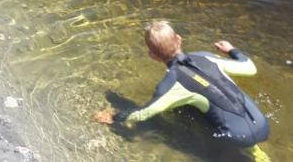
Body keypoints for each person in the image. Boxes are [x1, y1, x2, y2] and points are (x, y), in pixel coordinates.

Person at [94, 20, 269, 150]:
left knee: (179, 111)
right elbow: (250, 68)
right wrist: (231, 50)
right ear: (179, 39)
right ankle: (258, 152)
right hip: (261, 122)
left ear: (152, 56)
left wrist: (113, 117)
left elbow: (143, 113)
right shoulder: (207, 57)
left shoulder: (172, 83)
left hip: (236, 137)